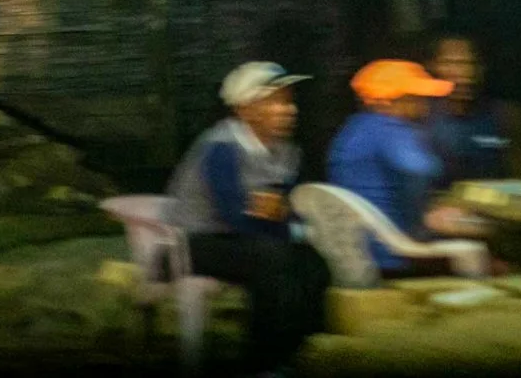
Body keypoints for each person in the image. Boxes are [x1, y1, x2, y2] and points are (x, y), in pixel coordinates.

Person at [166, 62, 331, 377]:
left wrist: (284, 220)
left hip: (252, 236)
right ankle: (263, 364)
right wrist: (281, 220)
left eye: (289, 100)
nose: (289, 109)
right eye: (276, 101)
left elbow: (290, 205)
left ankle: (298, 353)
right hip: (199, 240)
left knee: (314, 264)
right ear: (246, 110)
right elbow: (235, 215)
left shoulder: (285, 151)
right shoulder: (222, 147)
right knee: (272, 259)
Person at [327, 59, 486, 278]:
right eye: (413, 98)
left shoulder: (353, 128)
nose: (424, 105)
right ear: (385, 102)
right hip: (393, 253)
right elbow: (424, 168)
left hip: (358, 251)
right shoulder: (389, 128)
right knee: (483, 248)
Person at [423, 33, 521, 186]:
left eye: (470, 64)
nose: (463, 73)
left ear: (481, 69)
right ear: (433, 67)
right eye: (451, 63)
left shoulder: (506, 116)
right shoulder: (421, 116)